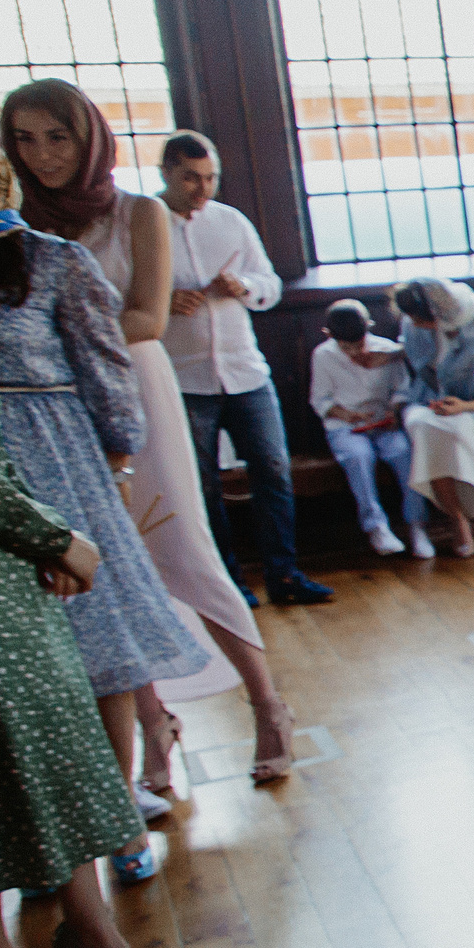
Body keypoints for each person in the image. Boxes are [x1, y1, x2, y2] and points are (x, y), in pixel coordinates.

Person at [0, 135, 184, 948]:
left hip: (13, 538)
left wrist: (64, 515)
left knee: (61, 730)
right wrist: (46, 534)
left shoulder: (37, 266)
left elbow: (100, 365)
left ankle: (91, 925)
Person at [0, 81, 301, 785]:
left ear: (90, 138)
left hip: (139, 390)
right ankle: (155, 727)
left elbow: (148, 319)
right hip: (57, 411)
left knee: (182, 546)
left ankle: (267, 702)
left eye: (58, 136)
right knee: (104, 574)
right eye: (25, 138)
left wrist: (46, 343)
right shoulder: (14, 222)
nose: (42, 154)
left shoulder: (138, 213)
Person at [157, 130, 335, 607]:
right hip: (183, 379)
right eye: (191, 178)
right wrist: (164, 302)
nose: (203, 189)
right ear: (167, 172)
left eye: (210, 177)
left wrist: (244, 285)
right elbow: (122, 295)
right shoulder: (145, 224)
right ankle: (226, 584)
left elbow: (270, 285)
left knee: (274, 470)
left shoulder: (231, 222)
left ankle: (285, 574)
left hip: (245, 372)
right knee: (203, 485)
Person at [391, 277, 474, 557]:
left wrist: (462, 407)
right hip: (429, 404)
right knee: (420, 424)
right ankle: (457, 517)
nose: (415, 325)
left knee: (459, 427)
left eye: (421, 320)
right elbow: (418, 374)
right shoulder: (413, 326)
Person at [310, 300, 429, 557]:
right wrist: (346, 414)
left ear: (369, 327)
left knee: (403, 454)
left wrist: (393, 411)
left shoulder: (386, 350)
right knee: (359, 457)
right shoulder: (323, 356)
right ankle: (376, 527)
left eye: (359, 343)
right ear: (329, 335)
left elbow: (401, 388)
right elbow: (320, 399)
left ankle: (416, 525)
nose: (354, 351)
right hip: (345, 425)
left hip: (383, 423)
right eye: (346, 346)